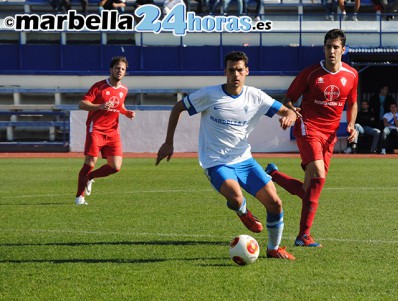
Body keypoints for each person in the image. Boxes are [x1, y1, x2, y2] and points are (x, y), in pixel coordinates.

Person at [156, 51, 297, 260]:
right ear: (225, 72)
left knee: (275, 203)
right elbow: (178, 107)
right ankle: (243, 213)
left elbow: (288, 111)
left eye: (240, 70)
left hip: (244, 160)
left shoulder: (255, 96)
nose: (236, 74)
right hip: (215, 161)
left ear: (247, 71)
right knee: (235, 195)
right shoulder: (210, 95)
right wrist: (169, 142)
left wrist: (290, 117)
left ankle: (273, 248)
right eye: (231, 70)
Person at [265, 29, 358, 247]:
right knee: (318, 172)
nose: (331, 51)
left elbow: (352, 102)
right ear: (324, 48)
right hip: (309, 128)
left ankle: (273, 174)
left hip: (330, 136)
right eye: (328, 47)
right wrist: (291, 111)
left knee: (309, 190)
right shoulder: (311, 73)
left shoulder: (352, 74)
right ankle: (303, 236)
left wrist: (352, 124)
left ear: (343, 50)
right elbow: (288, 98)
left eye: (336, 47)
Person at [74, 56, 136, 205]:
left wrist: (126, 112)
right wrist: (98, 106)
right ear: (111, 70)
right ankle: (79, 197)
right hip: (95, 129)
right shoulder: (99, 86)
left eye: (122, 69)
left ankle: (90, 177)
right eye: (117, 68)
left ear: (125, 72)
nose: (119, 71)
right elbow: (81, 104)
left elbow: (119, 105)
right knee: (90, 162)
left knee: (115, 167)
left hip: (113, 132)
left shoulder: (124, 90)